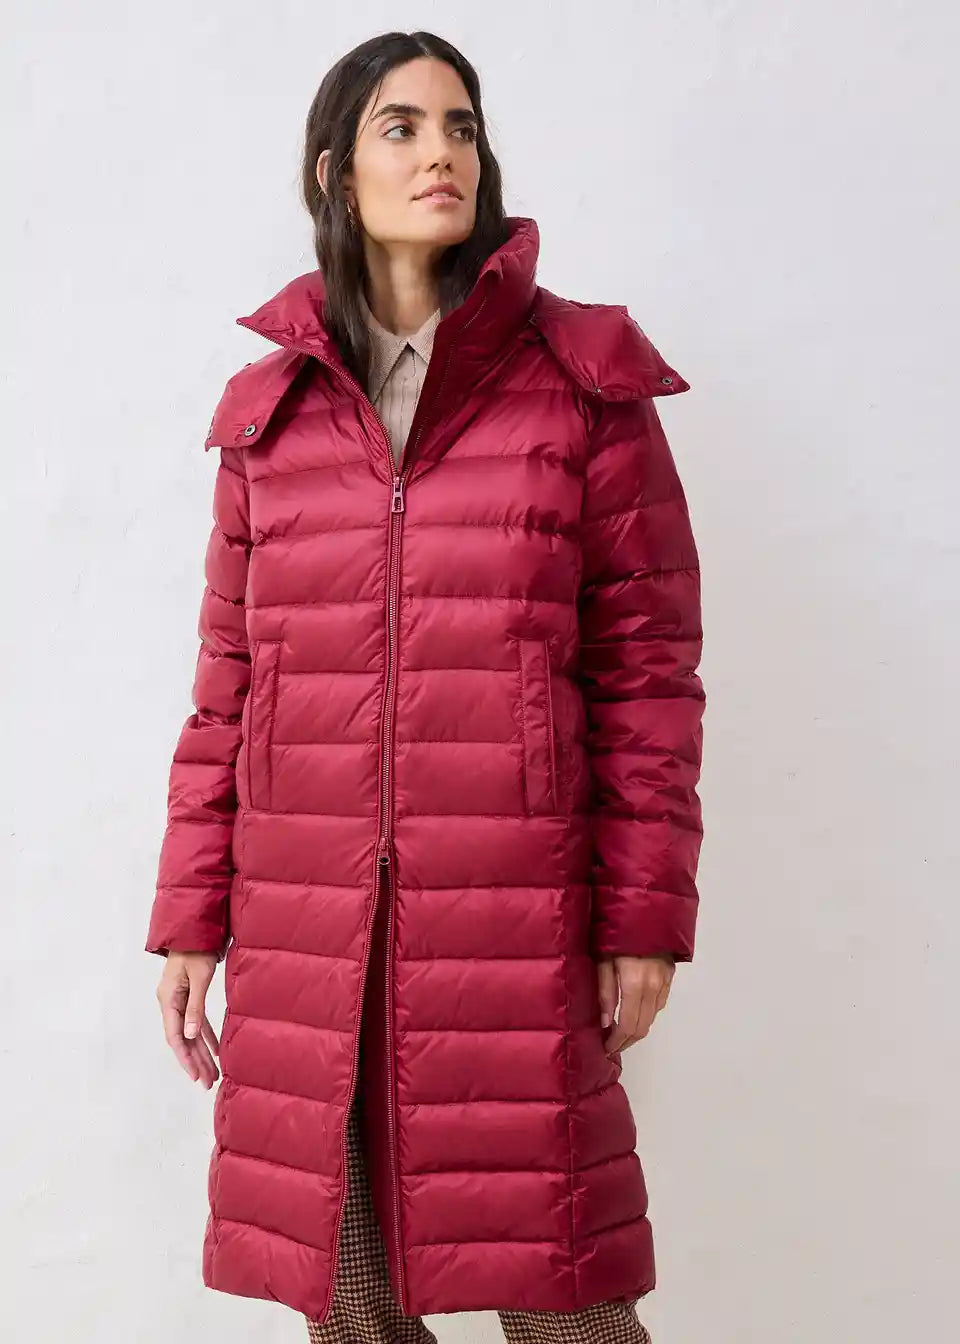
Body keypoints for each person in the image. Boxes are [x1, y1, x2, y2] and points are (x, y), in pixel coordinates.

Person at [146, 29, 705, 1344]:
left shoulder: (583, 384)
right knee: (352, 1309)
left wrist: (643, 916)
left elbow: (647, 679)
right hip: (310, 924)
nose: (441, 153)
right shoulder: (271, 414)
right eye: (401, 128)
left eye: (461, 126)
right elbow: (228, 691)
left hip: (513, 915)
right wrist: (189, 918)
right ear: (335, 172)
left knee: (563, 1304)